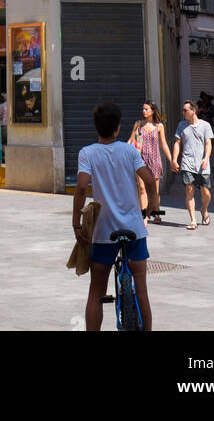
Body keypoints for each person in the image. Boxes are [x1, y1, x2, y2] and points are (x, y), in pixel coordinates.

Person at [73, 102, 157, 331]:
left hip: (103, 233)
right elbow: (149, 180)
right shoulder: (129, 151)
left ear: (96, 127)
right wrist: (152, 206)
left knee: (96, 292)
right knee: (141, 289)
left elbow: (81, 188)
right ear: (118, 128)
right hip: (134, 230)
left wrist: (76, 224)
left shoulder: (87, 153)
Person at [172, 100, 213, 229]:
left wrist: (206, 158)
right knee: (189, 190)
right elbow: (177, 143)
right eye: (183, 110)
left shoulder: (205, 125)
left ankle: (204, 210)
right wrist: (174, 159)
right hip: (187, 163)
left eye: (185, 110)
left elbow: (208, 143)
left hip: (202, 164)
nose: (183, 112)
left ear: (193, 111)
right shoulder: (181, 125)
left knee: (205, 193)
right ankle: (193, 220)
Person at [128, 102, 171, 222]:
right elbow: (130, 141)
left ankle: (156, 213)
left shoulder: (159, 126)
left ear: (152, 111)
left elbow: (164, 144)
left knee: (154, 190)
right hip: (139, 160)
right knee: (142, 188)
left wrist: (172, 160)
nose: (143, 111)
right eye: (142, 109)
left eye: (146, 109)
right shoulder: (138, 124)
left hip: (155, 159)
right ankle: (144, 216)